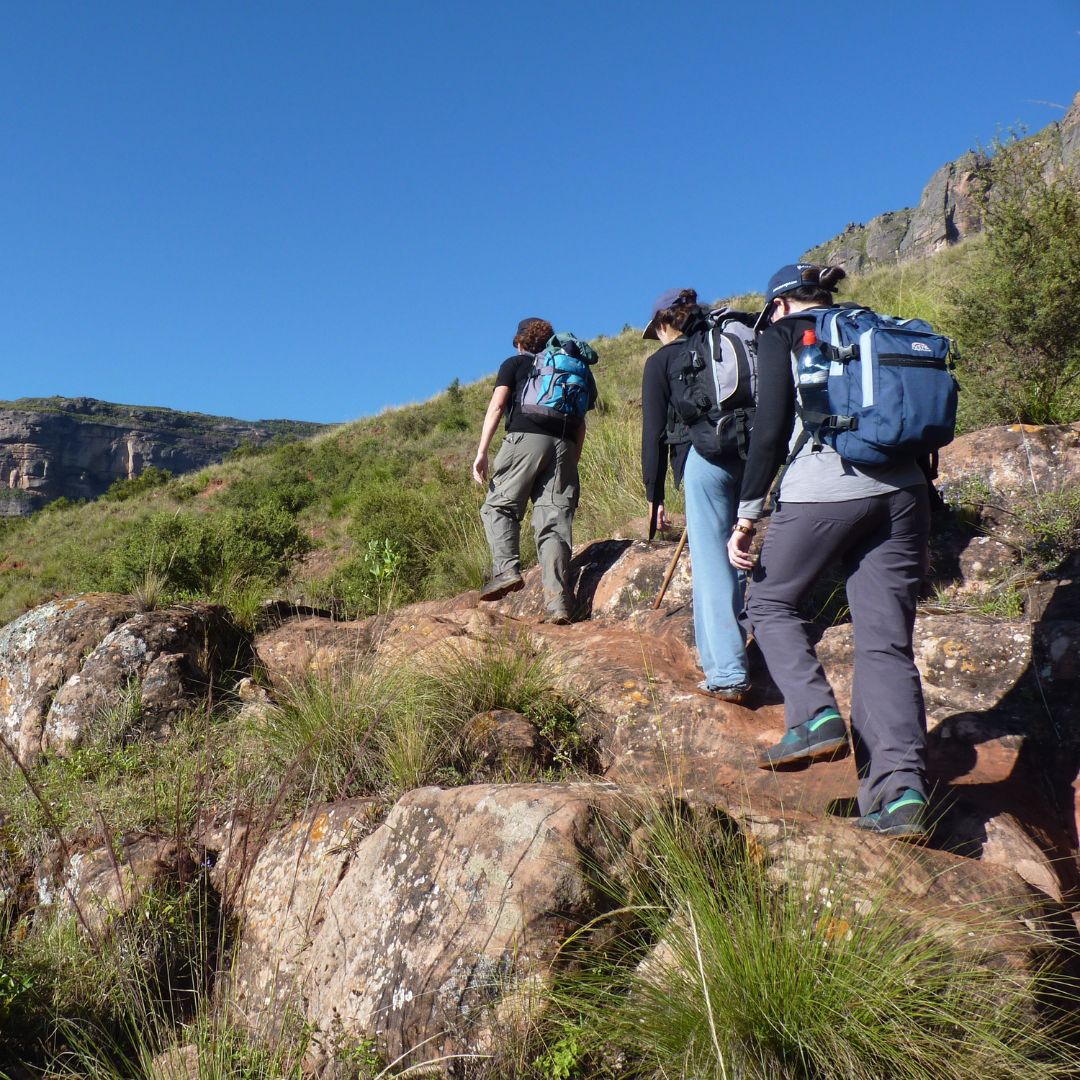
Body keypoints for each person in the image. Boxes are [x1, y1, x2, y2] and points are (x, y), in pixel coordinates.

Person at [727, 264, 932, 839]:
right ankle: (900, 799)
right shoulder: (872, 327)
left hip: (824, 489)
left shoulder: (782, 334)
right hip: (906, 492)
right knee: (886, 644)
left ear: (782, 305)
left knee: (768, 601)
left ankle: (815, 714)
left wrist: (747, 515)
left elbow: (769, 430)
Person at [642, 288, 749, 701]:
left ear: (664, 323)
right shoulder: (724, 346)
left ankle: (727, 671)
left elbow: (653, 434)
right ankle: (740, 648)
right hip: (755, 454)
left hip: (705, 461)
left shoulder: (662, 361)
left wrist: (654, 494)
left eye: (657, 330)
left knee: (712, 565)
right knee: (738, 552)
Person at [472, 317, 593, 624]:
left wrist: (482, 452)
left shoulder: (514, 364)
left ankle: (506, 570)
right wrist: (570, 462)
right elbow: (581, 423)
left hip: (525, 438)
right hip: (565, 443)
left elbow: (498, 406)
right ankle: (557, 606)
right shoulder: (572, 368)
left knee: (498, 507)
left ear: (521, 342)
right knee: (554, 525)